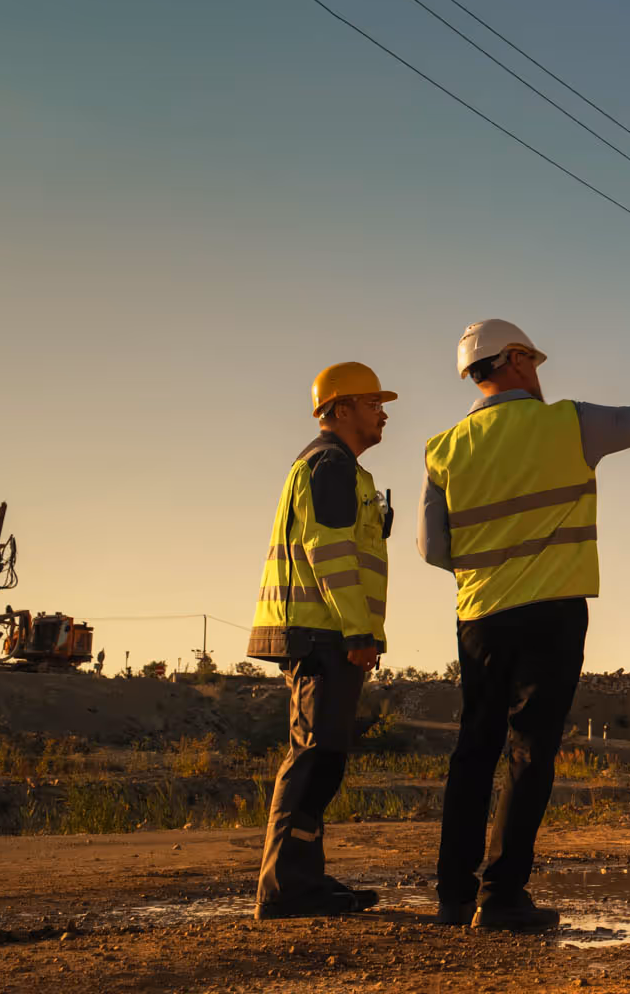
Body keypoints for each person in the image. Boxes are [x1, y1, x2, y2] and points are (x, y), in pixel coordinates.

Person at [421, 316, 630, 930]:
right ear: (514, 361)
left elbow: (432, 548)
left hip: (478, 615)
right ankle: (500, 897)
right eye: (531, 359)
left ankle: (452, 897)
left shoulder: (442, 449)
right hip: (551, 614)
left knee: (473, 751)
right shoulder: (567, 423)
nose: (537, 371)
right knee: (529, 752)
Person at [248, 362, 395, 919]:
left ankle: (302, 879)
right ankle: (286, 887)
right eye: (372, 402)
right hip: (324, 631)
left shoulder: (344, 470)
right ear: (340, 409)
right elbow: (328, 554)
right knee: (315, 755)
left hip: (327, 630)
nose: (383, 413)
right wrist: (358, 630)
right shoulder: (330, 464)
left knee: (323, 754)